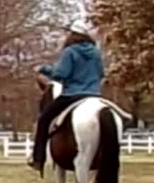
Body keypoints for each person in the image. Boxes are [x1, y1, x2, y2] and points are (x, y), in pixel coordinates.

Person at [28, 20, 105, 175]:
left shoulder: (70, 52)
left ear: (73, 35)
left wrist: (43, 69)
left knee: (44, 120)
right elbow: (101, 73)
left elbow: (60, 74)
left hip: (73, 95)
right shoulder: (96, 52)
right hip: (94, 94)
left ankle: (38, 158)